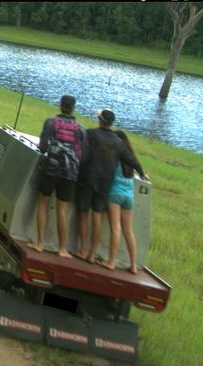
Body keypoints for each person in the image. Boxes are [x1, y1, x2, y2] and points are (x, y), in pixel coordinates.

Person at [75, 109, 147, 264]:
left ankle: (82, 249)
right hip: (105, 183)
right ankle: (93, 254)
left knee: (83, 213)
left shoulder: (91, 134)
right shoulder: (119, 142)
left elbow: (80, 147)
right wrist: (142, 173)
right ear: (111, 123)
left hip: (88, 179)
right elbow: (131, 159)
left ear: (100, 120)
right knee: (97, 216)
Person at [28, 95, 86, 258]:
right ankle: (62, 248)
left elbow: (43, 146)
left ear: (60, 105)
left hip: (51, 169)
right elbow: (82, 153)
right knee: (62, 210)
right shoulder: (81, 128)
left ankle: (39, 243)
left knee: (43, 204)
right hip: (70, 173)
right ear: (73, 108)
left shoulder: (51, 122)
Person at [103, 130, 143, 273]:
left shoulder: (114, 156)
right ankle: (133, 265)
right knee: (128, 230)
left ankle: (111, 262)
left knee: (115, 228)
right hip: (128, 196)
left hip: (115, 194)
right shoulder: (130, 159)